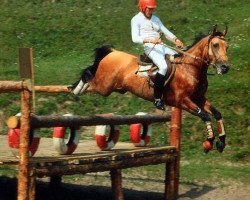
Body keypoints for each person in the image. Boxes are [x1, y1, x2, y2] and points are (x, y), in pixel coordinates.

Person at [131, 0, 184, 110]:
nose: (152, 11)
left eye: (153, 8)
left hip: (161, 46)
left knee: (180, 58)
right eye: (149, 8)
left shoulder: (156, 19)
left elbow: (165, 31)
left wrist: (176, 40)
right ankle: (157, 98)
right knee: (163, 67)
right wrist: (151, 40)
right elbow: (135, 38)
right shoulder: (136, 20)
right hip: (150, 48)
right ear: (143, 8)